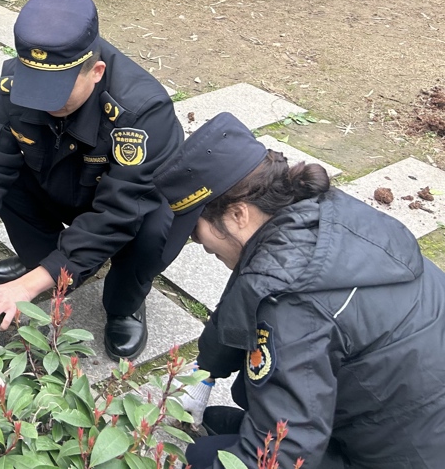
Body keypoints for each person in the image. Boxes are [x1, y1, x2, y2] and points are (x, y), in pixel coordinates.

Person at [155, 112, 445, 469]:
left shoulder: (292, 306)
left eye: (195, 230)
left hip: (402, 457)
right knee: (240, 412)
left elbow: (285, 452)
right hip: (411, 418)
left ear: (238, 215)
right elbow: (249, 288)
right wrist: (205, 370)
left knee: (202, 457)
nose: (198, 243)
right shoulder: (317, 214)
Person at [0, 0, 185, 359]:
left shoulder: (141, 111)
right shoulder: (14, 84)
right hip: (59, 180)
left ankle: (125, 303)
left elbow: (117, 215)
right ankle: (47, 267)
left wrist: (23, 289)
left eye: (56, 91)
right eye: (34, 86)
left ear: (96, 72)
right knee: (8, 182)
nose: (43, 101)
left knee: (155, 227)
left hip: (128, 203)